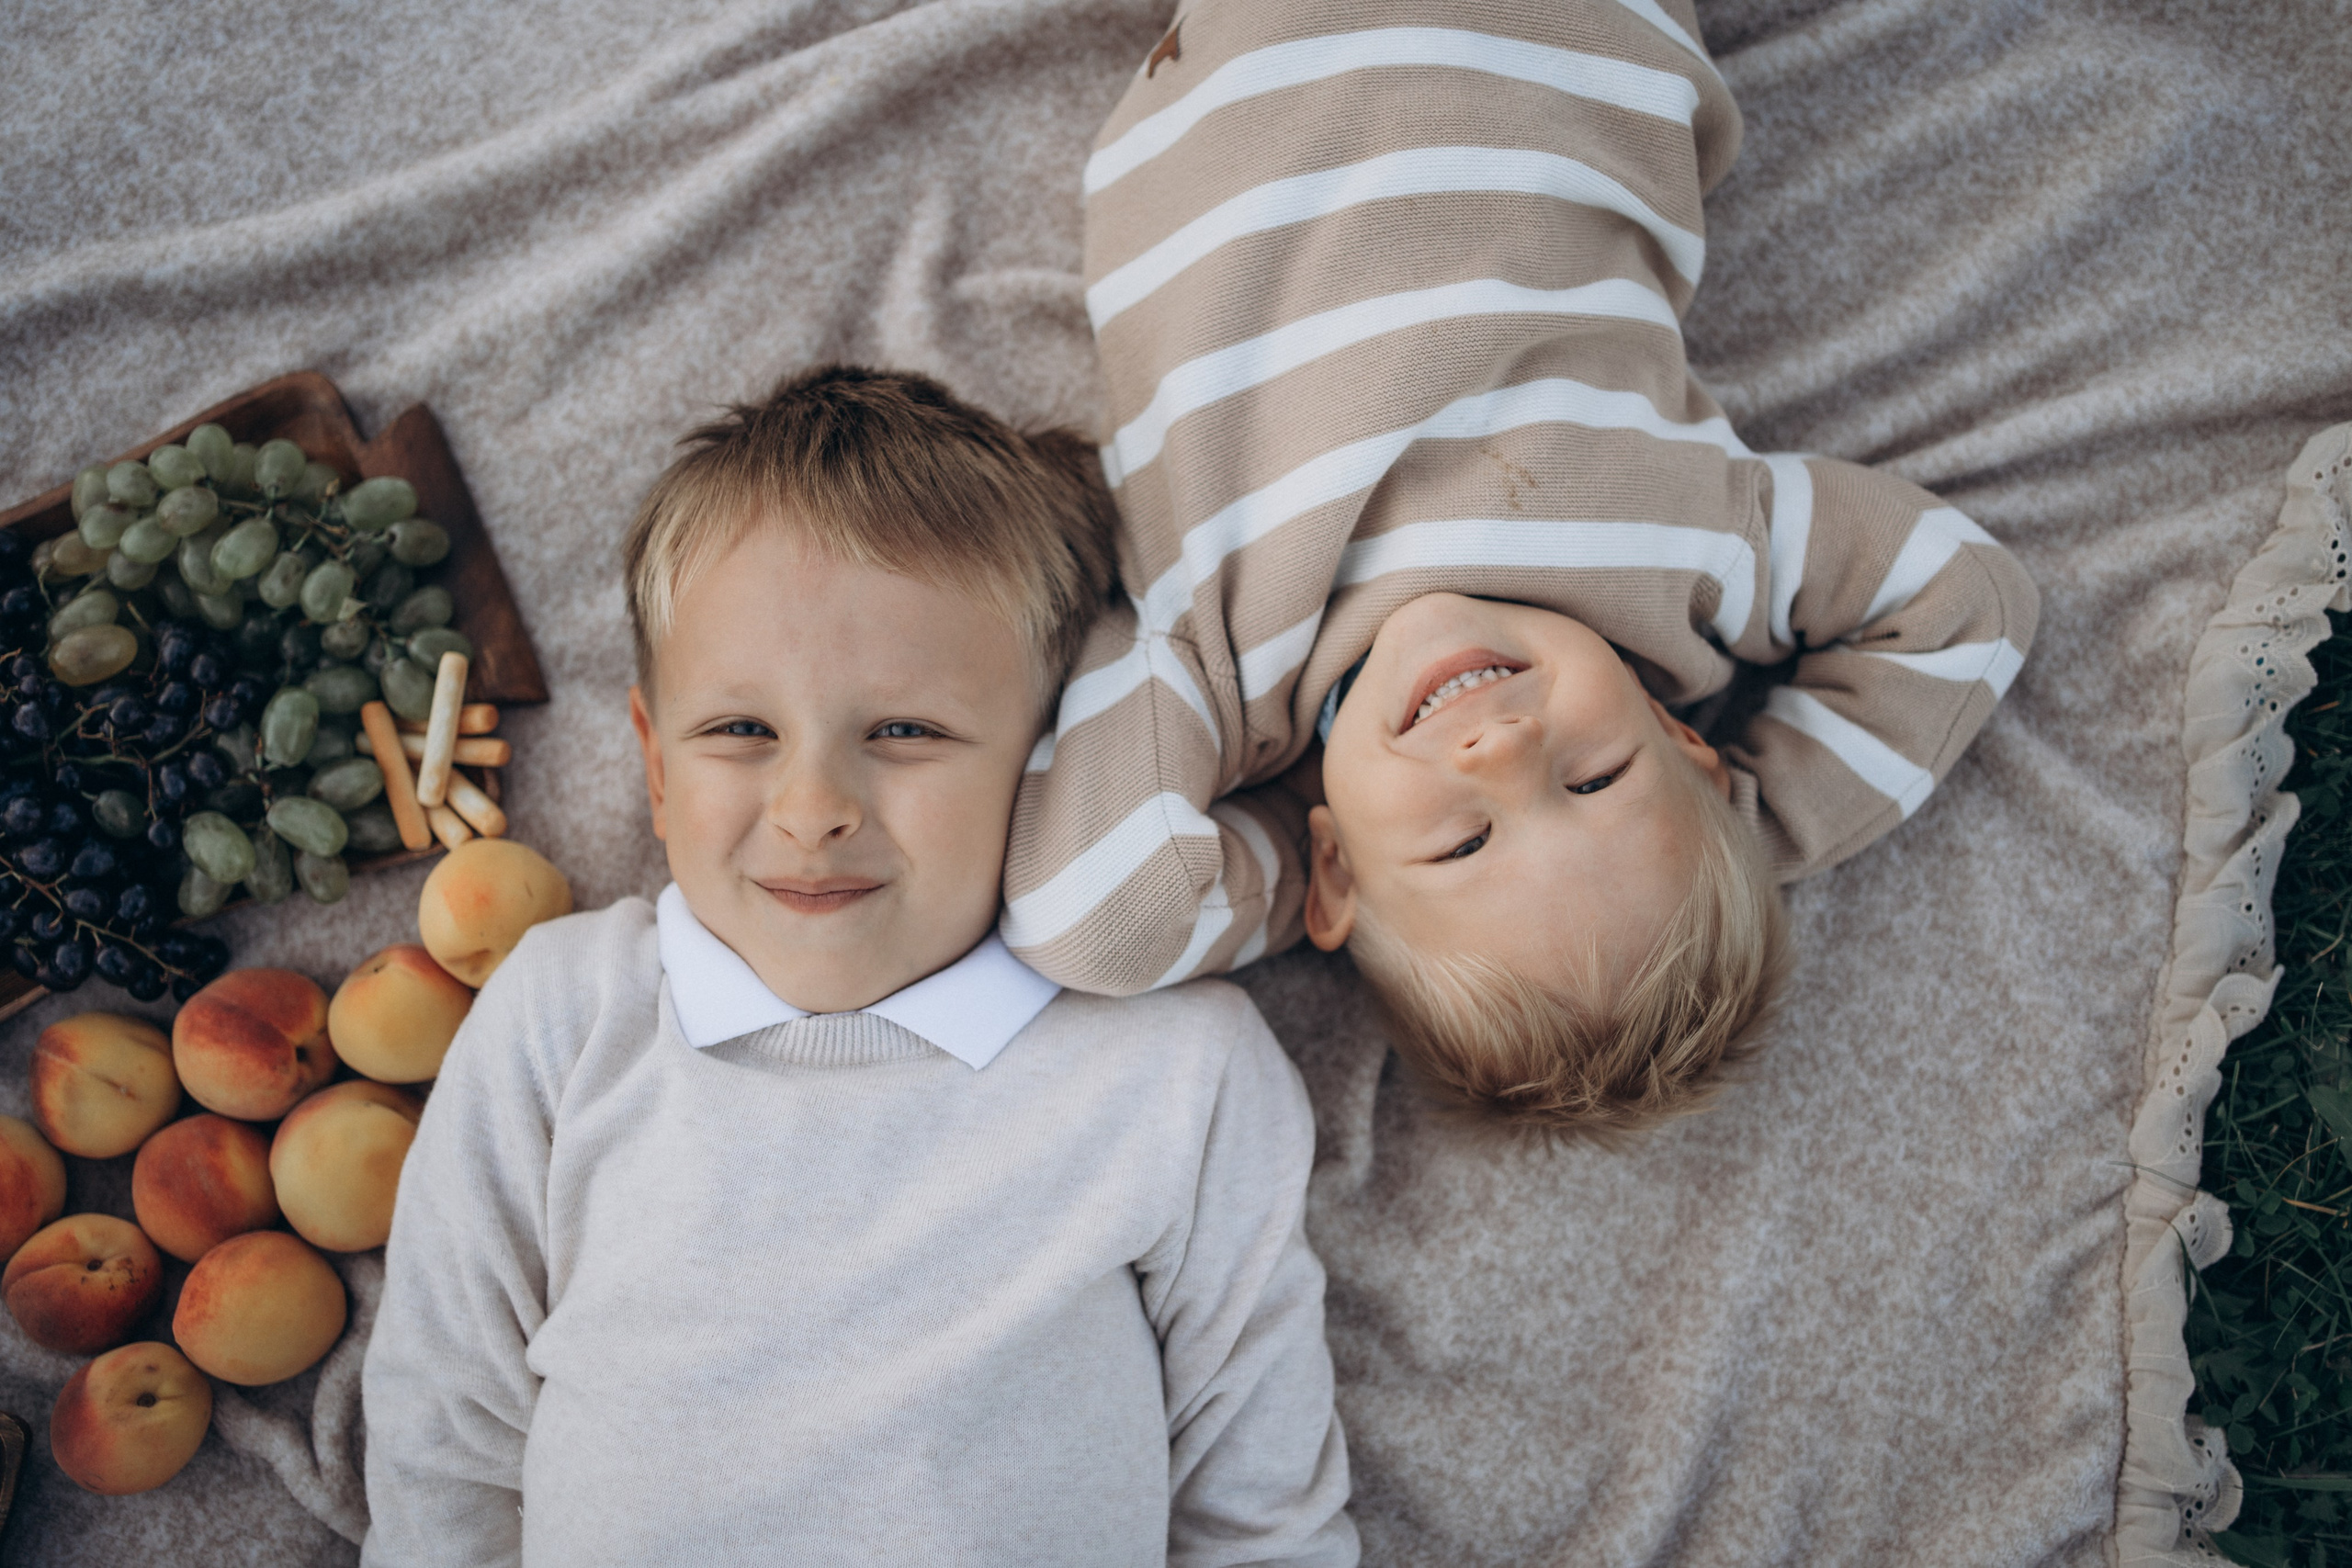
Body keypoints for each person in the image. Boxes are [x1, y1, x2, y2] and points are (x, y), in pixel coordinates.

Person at [360, 367, 1358, 1568]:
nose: (815, 805)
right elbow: (444, 1440)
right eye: (741, 729)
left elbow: (1264, 1511)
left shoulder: (1178, 1072)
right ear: (658, 769)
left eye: (905, 730)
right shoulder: (567, 1013)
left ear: (1048, 761)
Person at [1003, 0, 2039, 1134]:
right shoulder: (1685, 566)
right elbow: (1964, 603)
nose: (1500, 752)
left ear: (1340, 874)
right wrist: (1744, 826)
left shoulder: (1226, 681)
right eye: (1596, 780)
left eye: (1462, 842)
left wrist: (1314, 846)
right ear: (1682, 742)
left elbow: (1090, 918)